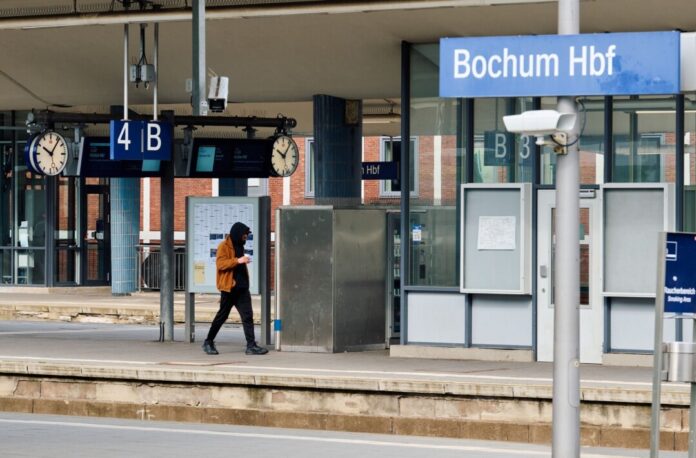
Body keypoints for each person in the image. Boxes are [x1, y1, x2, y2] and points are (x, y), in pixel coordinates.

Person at [202, 222, 268, 356]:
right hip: (229, 288)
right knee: (222, 315)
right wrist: (238, 261)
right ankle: (208, 342)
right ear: (238, 233)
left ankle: (251, 346)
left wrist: (241, 262)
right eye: (245, 235)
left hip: (242, 288)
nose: (246, 238)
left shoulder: (240, 246)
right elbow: (220, 264)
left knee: (247, 316)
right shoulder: (224, 246)